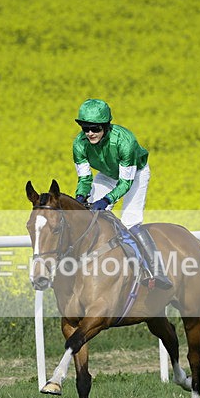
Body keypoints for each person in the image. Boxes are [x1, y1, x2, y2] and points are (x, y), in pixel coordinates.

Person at [72, 98, 172, 289]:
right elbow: (84, 179)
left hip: (135, 174)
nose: (90, 133)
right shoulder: (79, 144)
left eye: (95, 128)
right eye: (85, 128)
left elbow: (126, 182)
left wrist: (107, 199)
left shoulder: (125, 141)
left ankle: (157, 271)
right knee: (89, 218)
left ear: (106, 126)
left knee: (129, 222)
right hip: (107, 174)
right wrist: (80, 197)